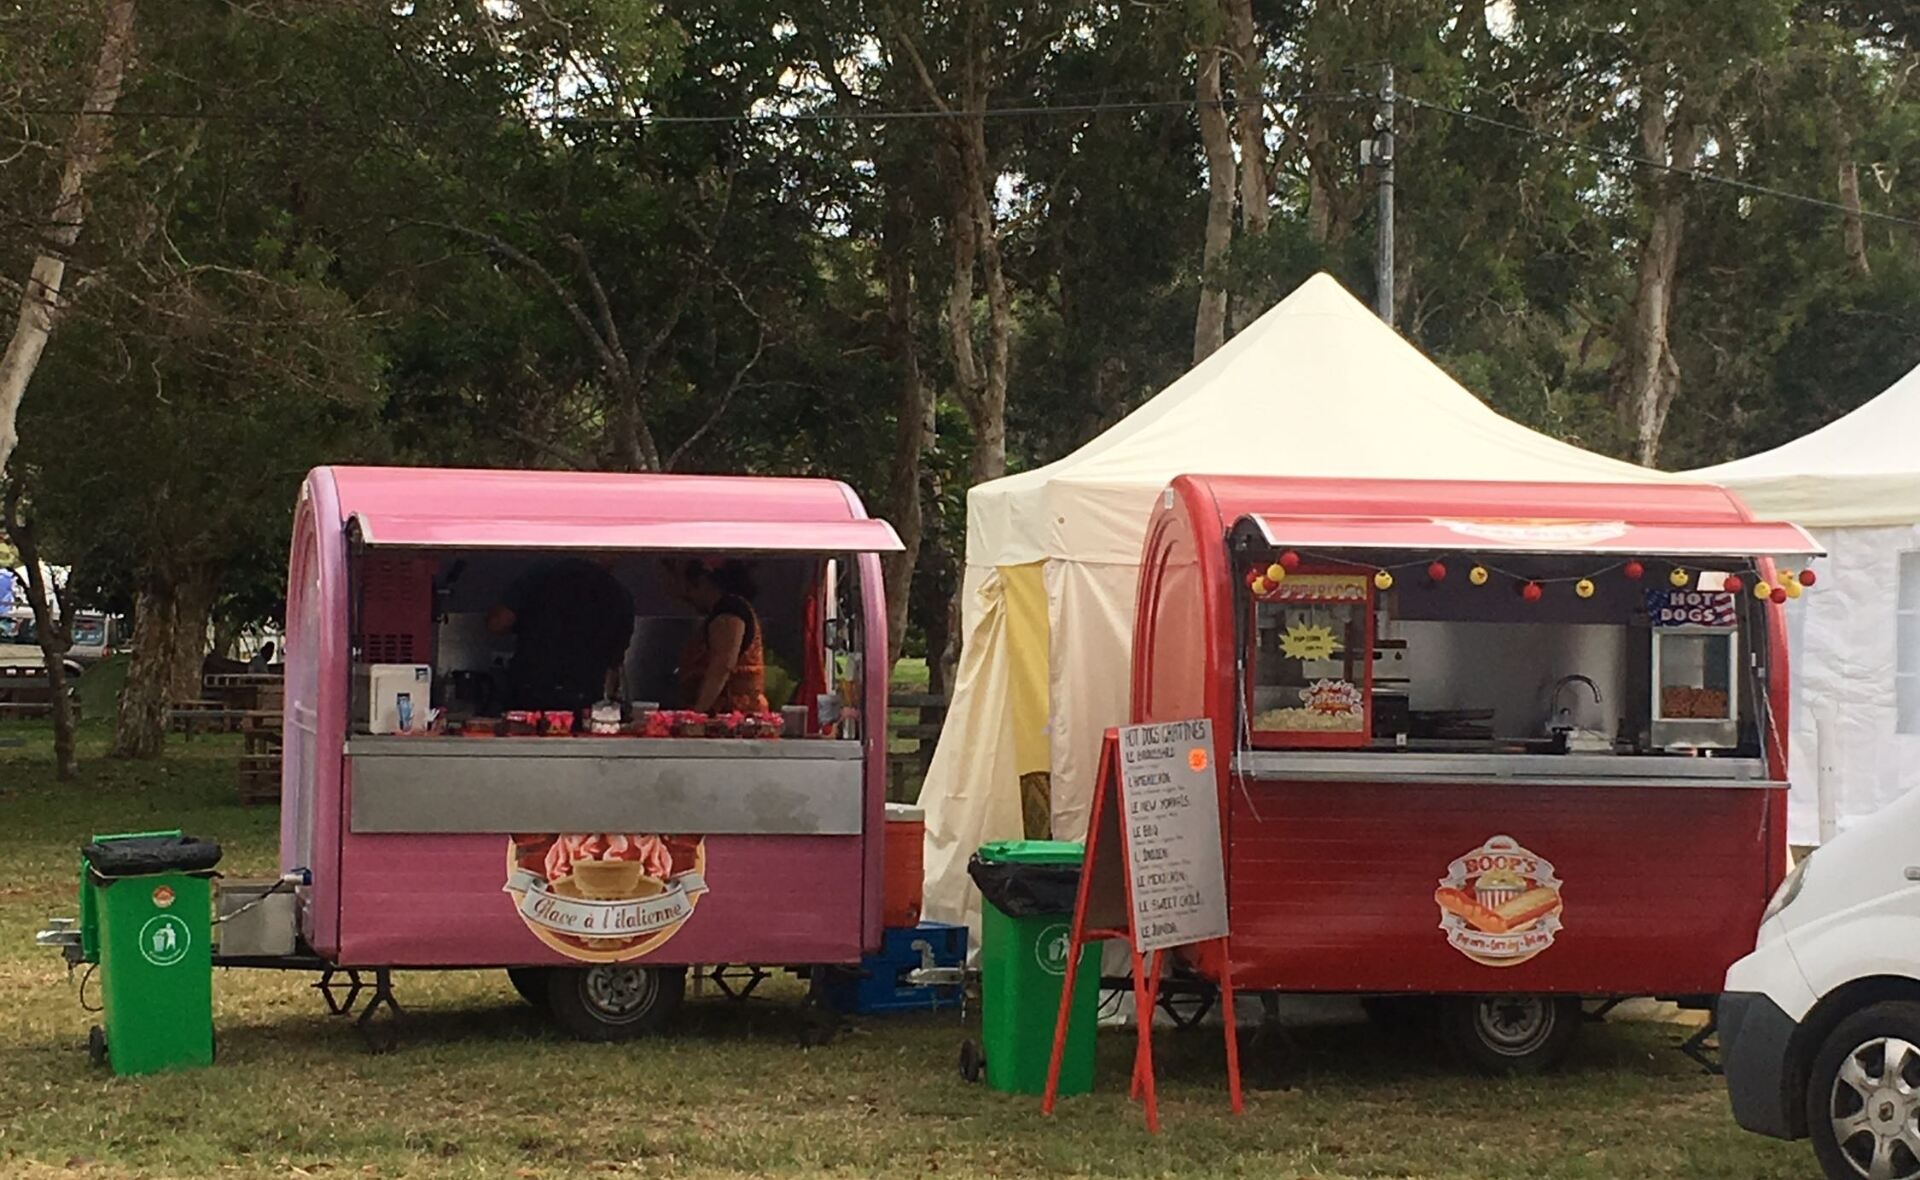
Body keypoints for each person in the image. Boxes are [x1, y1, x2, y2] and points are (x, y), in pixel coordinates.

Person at [489, 556, 636, 713]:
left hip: (529, 692)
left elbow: (497, 623)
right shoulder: (619, 594)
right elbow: (613, 665)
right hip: (584, 698)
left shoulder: (541, 574)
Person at [663, 558, 768, 714]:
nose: (688, 597)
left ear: (703, 582)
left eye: (690, 589)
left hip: (731, 716)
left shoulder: (730, 611)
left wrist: (697, 713)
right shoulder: (726, 610)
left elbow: (722, 665)